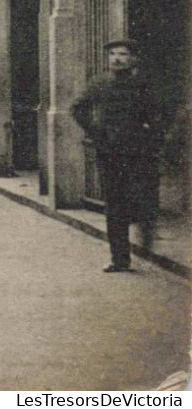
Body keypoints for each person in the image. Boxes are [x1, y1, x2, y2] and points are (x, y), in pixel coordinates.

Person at [71, 39, 160, 272]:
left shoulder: (142, 84)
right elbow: (77, 107)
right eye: (113, 54)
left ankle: (144, 230)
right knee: (114, 205)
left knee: (140, 197)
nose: (117, 58)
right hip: (109, 152)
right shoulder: (99, 83)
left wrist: (149, 135)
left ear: (133, 59)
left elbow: (157, 114)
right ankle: (119, 259)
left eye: (123, 54)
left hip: (138, 152)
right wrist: (95, 131)